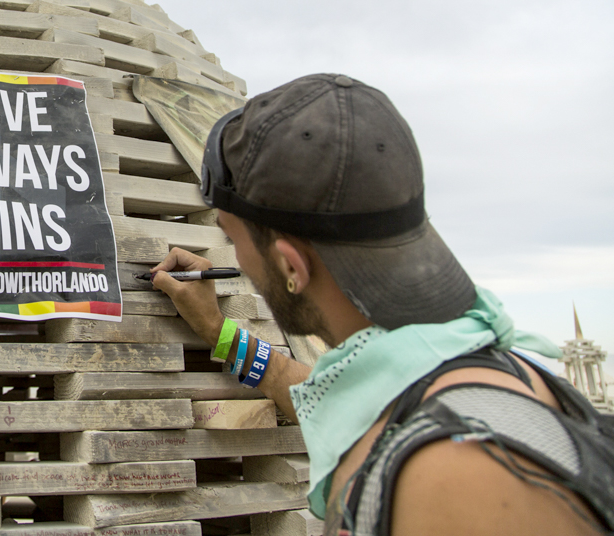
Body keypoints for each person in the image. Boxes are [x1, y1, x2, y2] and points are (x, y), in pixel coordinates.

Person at [150, 73, 612, 535]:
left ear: (292, 266)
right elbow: (324, 392)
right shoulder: (458, 369)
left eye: (232, 237)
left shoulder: (457, 479)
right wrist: (218, 331)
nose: (234, 257)